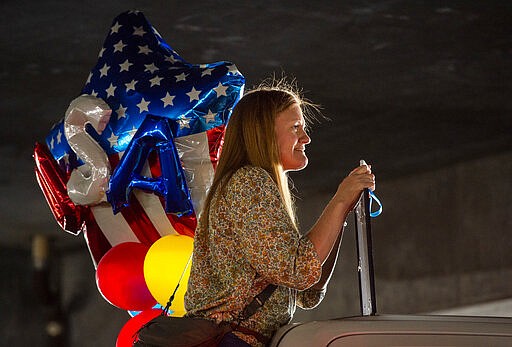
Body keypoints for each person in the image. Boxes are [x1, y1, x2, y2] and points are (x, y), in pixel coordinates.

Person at [184, 80, 376, 346]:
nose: (306, 138)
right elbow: (297, 270)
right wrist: (340, 201)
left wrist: (341, 214)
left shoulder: (252, 185)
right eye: (296, 128)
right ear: (263, 133)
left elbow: (306, 291)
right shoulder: (249, 182)